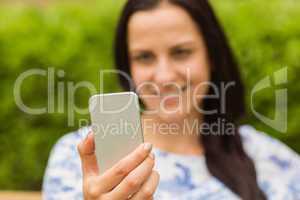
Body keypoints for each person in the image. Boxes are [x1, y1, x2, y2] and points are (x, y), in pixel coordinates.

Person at [42, 0, 300, 199]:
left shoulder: (273, 160)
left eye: (181, 52)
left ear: (211, 56)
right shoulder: (75, 162)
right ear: (128, 66)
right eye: (144, 57)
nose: (164, 77)